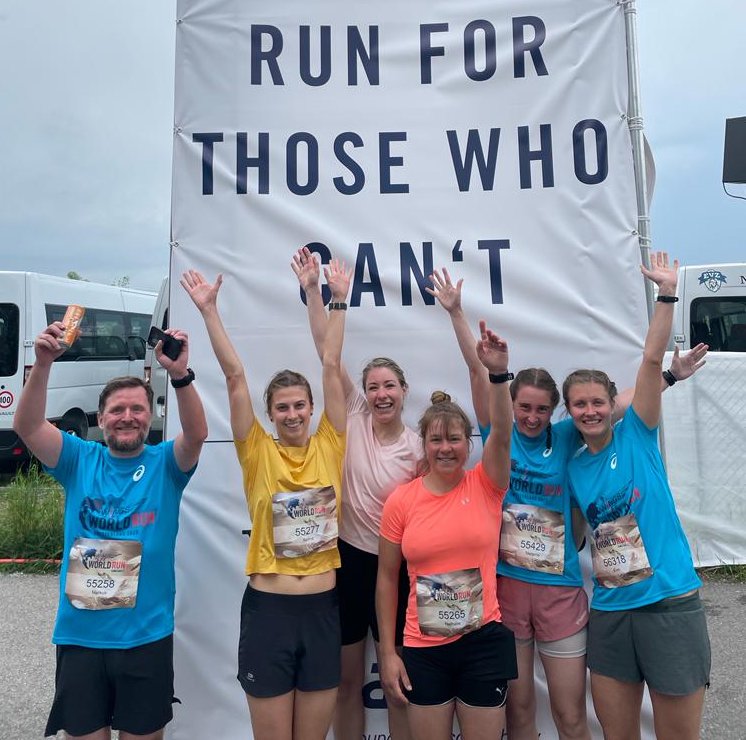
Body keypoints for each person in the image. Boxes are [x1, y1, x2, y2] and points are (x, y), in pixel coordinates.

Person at [428, 267, 707, 740]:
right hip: (511, 589)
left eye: (543, 409)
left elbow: (617, 404)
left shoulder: (568, 440)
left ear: (556, 411)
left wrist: (667, 375)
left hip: (569, 591)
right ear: (510, 406)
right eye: (524, 408)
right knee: (518, 712)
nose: (533, 417)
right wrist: (456, 312)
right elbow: (480, 371)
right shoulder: (499, 436)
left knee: (572, 716)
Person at [13, 320, 208, 740]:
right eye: (117, 410)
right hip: (82, 637)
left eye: (137, 409)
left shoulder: (166, 466)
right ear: (101, 418)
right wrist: (43, 364)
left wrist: (179, 375)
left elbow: (196, 434)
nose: (127, 418)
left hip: (145, 639)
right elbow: (28, 428)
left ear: (151, 416)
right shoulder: (78, 459)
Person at [182, 261, 349, 740]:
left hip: (321, 612)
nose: (293, 414)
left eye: (300, 405)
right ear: (270, 414)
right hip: (268, 613)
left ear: (313, 409)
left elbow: (331, 365)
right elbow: (235, 377)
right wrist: (210, 311)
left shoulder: (331, 442)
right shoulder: (256, 450)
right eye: (282, 407)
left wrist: (333, 297)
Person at [566, 252, 711, 740]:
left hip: (668, 602)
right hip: (611, 612)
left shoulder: (638, 434)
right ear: (569, 412)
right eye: (579, 404)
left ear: (614, 405)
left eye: (598, 402)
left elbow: (651, 360)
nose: (590, 411)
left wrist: (667, 293)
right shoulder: (574, 467)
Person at [291, 246, 420, 740]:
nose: (382, 393)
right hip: (346, 562)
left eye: (390, 385)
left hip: (398, 567)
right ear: (364, 393)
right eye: (374, 386)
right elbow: (329, 353)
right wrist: (315, 293)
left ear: (404, 391)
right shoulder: (354, 419)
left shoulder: (417, 451)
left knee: (399, 683)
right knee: (345, 683)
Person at [376, 321, 517, 740]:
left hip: (483, 641)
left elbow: (504, 433)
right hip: (424, 648)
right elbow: (386, 579)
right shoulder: (401, 501)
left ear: (468, 443)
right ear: (424, 443)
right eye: (436, 439)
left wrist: (498, 373)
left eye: (454, 438)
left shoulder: (487, 483)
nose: (445, 447)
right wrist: (388, 652)